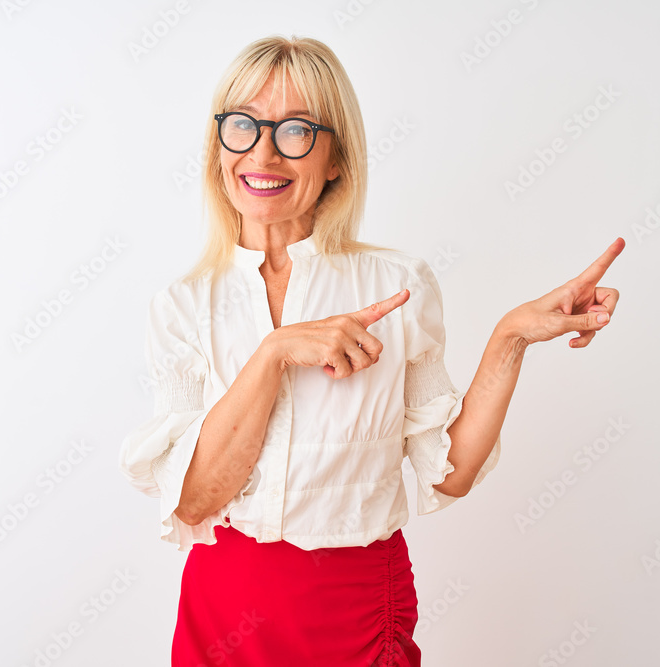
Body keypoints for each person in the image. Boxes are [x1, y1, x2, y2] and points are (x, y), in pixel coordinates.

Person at [119, 35, 623, 667]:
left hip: (356, 609)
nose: (263, 152)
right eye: (242, 125)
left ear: (338, 158)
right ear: (219, 143)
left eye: (296, 130)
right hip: (224, 613)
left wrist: (510, 338)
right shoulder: (183, 305)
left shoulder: (395, 285)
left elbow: (452, 473)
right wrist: (275, 352)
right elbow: (194, 502)